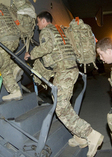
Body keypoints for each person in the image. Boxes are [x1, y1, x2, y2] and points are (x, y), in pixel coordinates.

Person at [24, 11, 104, 157]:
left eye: (38, 22)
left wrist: (31, 54)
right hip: (71, 70)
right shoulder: (60, 29)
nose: (37, 25)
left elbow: (46, 48)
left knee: (60, 108)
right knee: (63, 104)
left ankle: (91, 135)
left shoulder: (46, 32)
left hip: (64, 71)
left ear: (43, 20)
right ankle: (79, 138)